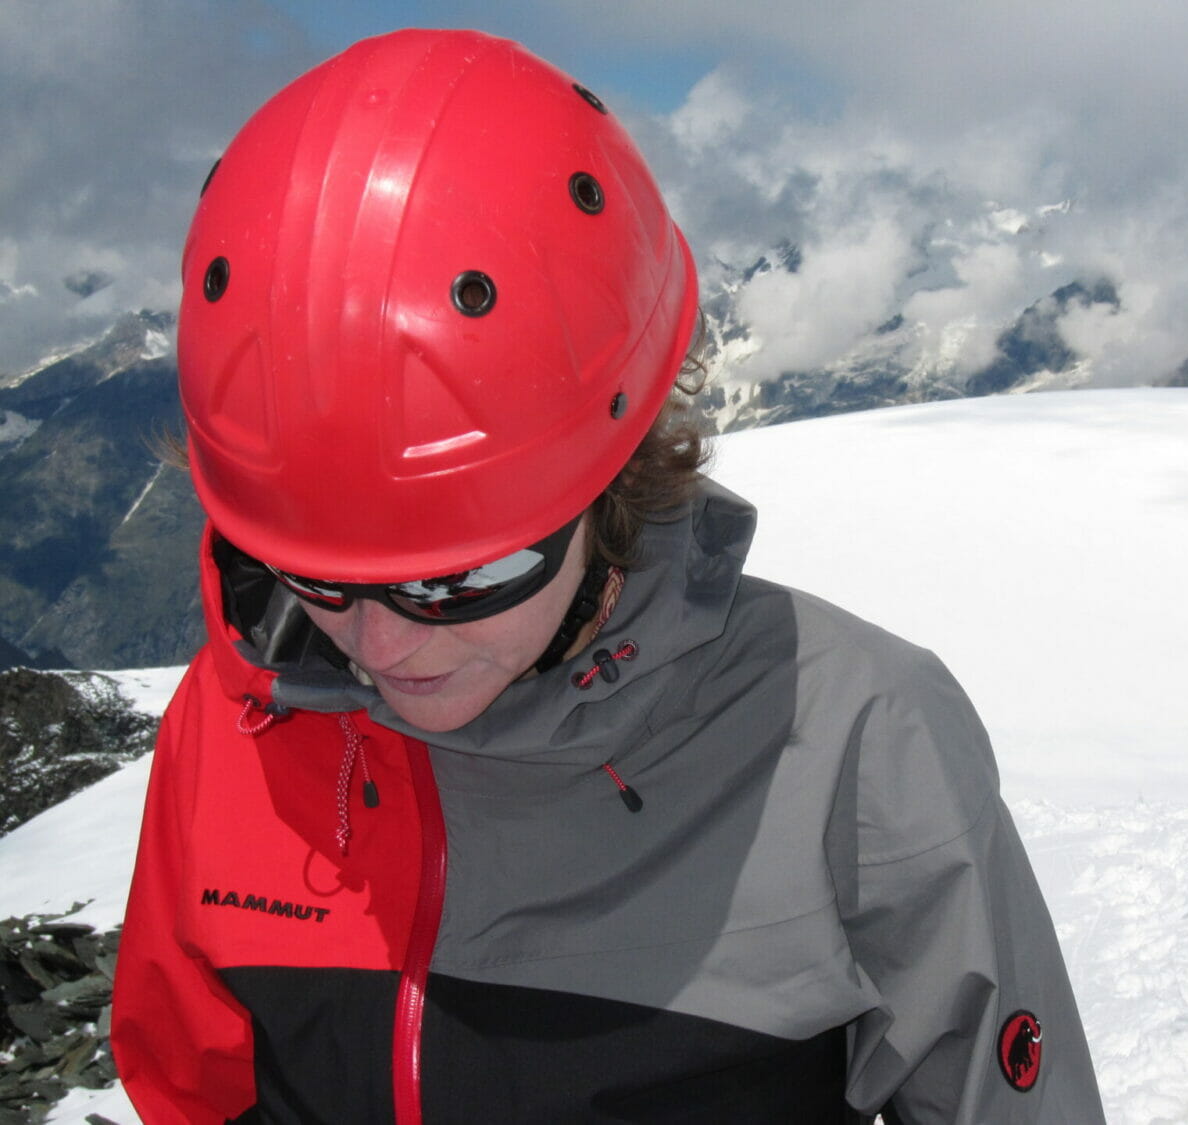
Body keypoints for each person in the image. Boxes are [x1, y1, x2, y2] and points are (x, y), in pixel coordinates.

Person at [112, 28, 1104, 1125]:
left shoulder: (852, 736)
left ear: (615, 472)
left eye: (460, 581)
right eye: (315, 575)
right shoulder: (236, 718)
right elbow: (190, 1088)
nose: (381, 650)